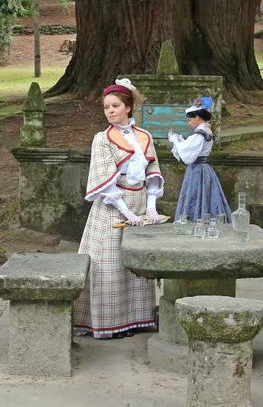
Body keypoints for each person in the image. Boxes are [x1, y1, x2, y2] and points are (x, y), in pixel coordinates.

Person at [72, 78, 164, 338]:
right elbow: (105, 179)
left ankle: (136, 320)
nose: (110, 111)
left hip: (140, 204)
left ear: (128, 107)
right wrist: (128, 213)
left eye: (115, 105)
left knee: (137, 266)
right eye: (106, 107)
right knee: (110, 265)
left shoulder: (145, 137)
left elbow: (153, 171)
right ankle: (108, 324)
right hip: (113, 207)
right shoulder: (102, 139)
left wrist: (151, 208)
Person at [167, 96, 231, 223]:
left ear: (197, 117)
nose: (188, 122)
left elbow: (187, 155)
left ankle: (197, 222)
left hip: (198, 170)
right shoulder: (204, 131)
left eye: (189, 119)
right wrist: (180, 141)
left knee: (196, 195)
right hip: (203, 168)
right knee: (205, 196)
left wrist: (175, 140)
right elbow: (191, 148)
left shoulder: (200, 134)